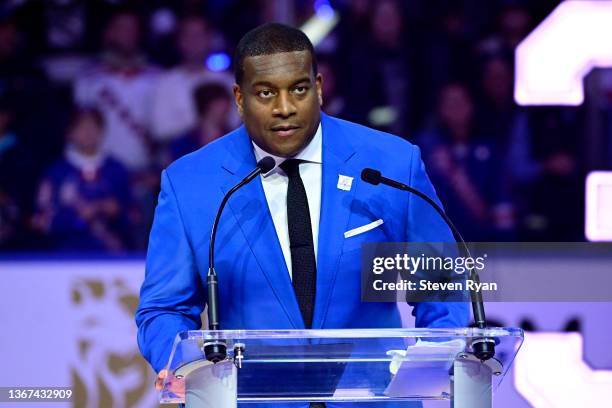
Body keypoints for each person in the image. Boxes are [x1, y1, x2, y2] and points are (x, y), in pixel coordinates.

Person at [136, 23, 468, 406]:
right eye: (265, 93)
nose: (285, 108)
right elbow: (164, 309)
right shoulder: (191, 183)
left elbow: (443, 286)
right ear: (239, 99)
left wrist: (430, 365)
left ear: (320, 88)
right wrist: (184, 368)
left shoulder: (392, 163)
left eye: (299, 88)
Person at [33, 108, 132, 252]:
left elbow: (134, 216)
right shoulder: (57, 172)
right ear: (70, 132)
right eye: (82, 127)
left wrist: (113, 210)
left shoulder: (116, 170)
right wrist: (77, 218)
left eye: (94, 127)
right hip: (65, 256)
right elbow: (40, 220)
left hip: (112, 256)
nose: (88, 133)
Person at [150, 15, 235, 142]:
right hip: (178, 157)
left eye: (199, 35)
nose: (194, 41)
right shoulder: (164, 82)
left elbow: (235, 123)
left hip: (220, 156)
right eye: (189, 35)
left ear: (209, 39)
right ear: (179, 41)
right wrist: (203, 123)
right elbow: (160, 129)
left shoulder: (226, 80)